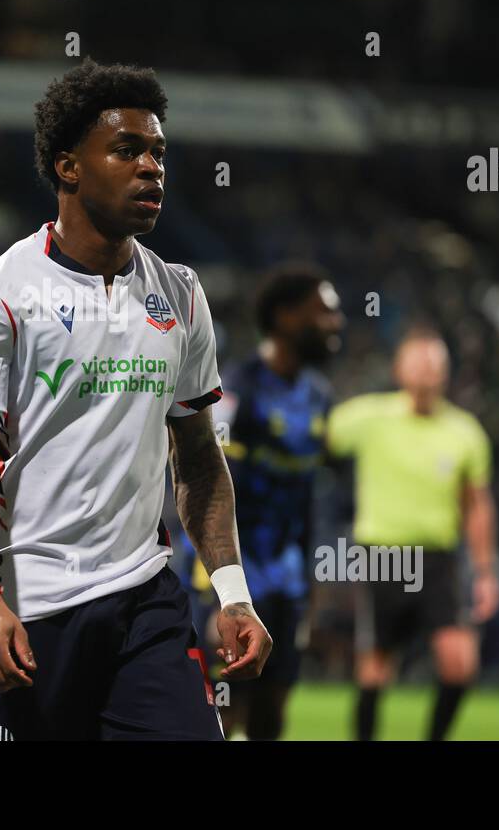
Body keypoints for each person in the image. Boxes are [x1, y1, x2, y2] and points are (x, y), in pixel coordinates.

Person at [0, 58, 271, 740]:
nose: (151, 168)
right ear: (68, 168)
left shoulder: (180, 294)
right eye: (127, 150)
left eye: (158, 153)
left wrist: (232, 593)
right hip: (30, 610)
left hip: (145, 605)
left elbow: (198, 459)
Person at [326, 327, 499, 741]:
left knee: (460, 663)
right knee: (374, 669)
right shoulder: (368, 417)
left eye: (435, 363)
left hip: (438, 558)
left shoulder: (465, 432)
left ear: (447, 372)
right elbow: (319, 436)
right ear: (399, 368)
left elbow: (477, 506)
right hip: (383, 554)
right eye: (419, 362)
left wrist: (485, 571)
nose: (427, 372)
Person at [192, 262, 343, 739]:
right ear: (283, 317)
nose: (335, 324)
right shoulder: (239, 390)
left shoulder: (319, 396)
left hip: (289, 580)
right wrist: (212, 579)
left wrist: (313, 586)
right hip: (236, 573)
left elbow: (308, 500)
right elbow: (209, 485)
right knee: (225, 705)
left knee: (273, 710)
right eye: (324, 313)